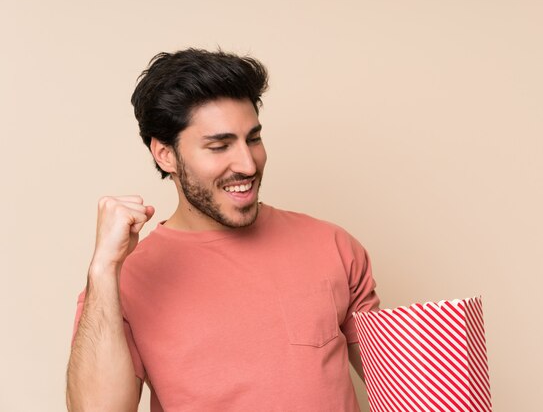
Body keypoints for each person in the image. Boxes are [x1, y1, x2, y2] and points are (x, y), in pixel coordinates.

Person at [66, 48, 380, 412]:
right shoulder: (123, 282)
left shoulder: (332, 245)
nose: (247, 164)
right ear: (165, 154)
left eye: (254, 139)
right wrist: (103, 269)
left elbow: (405, 388)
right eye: (219, 146)